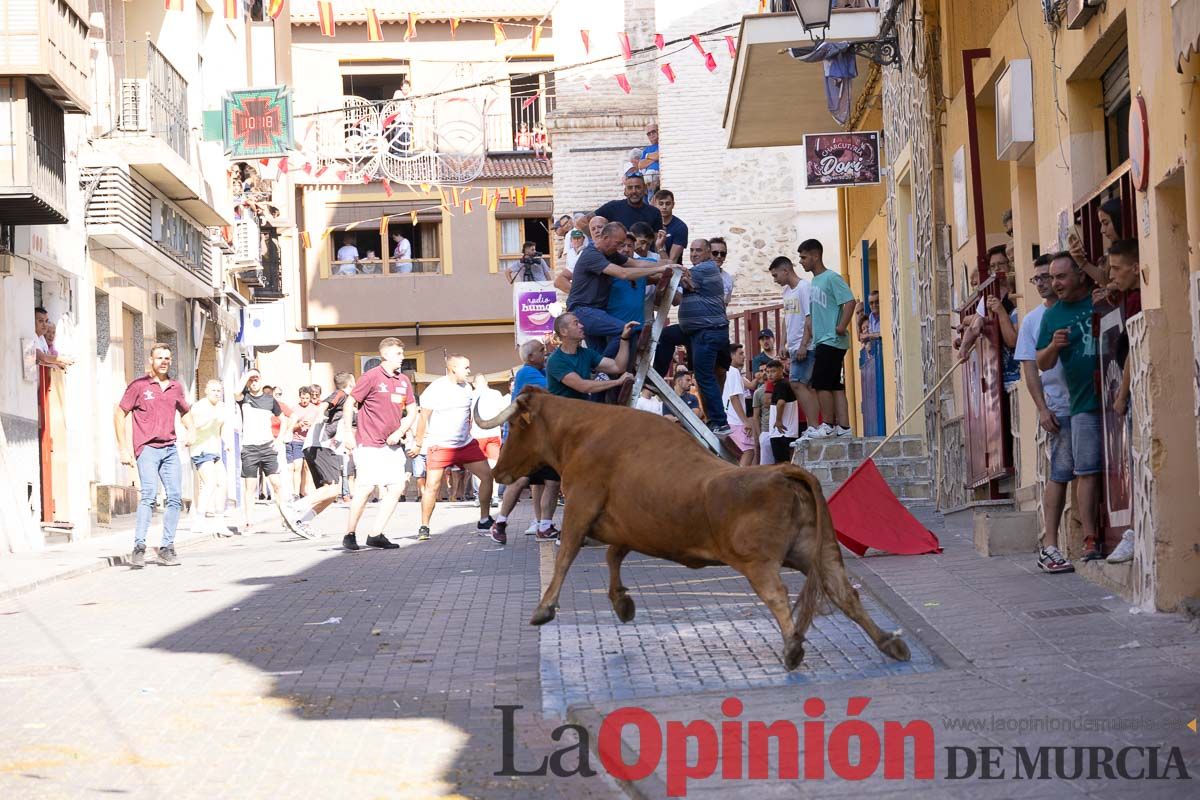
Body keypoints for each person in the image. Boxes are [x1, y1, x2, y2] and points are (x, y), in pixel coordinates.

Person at [1036, 252, 1103, 563]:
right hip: (1081, 404)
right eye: (1052, 278)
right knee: (1085, 470)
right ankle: (1090, 539)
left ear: (1079, 275)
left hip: (1114, 396)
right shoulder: (1052, 316)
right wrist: (1054, 346)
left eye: (1061, 277)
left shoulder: (1099, 297)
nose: (1055, 284)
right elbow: (1041, 362)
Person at [1014, 255, 1074, 574]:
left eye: (1044, 277)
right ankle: (1049, 546)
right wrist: (1041, 408)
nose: (1041, 283)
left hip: (1085, 403)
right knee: (1059, 474)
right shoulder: (1032, 321)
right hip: (1057, 407)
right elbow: (1029, 368)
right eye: (1035, 279)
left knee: (1089, 472)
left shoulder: (1074, 310)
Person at [114, 343, 193, 568]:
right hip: (147, 448)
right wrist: (123, 448)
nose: (164, 361)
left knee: (175, 496)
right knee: (148, 495)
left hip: (169, 448)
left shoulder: (176, 387)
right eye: (159, 358)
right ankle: (139, 547)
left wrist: (192, 430)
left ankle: (167, 548)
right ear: (151, 360)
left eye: (167, 358)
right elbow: (119, 413)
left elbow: (185, 411)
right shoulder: (139, 386)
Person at [339, 338, 419, 551]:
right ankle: (350, 533)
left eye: (402, 354)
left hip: (392, 444)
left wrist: (402, 431)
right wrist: (348, 432)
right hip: (369, 442)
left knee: (397, 487)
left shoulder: (403, 380)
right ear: (385, 355)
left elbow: (412, 411)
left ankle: (376, 534)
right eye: (398, 354)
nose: (402, 358)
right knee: (366, 488)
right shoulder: (371, 377)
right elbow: (350, 403)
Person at [412, 355, 496, 542]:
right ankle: (424, 526)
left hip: (465, 444)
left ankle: (484, 519)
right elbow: (423, 418)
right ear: (453, 368)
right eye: (465, 368)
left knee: (487, 476)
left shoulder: (467, 388)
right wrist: (418, 444)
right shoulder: (435, 389)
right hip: (440, 445)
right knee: (432, 486)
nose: (468, 371)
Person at [488, 340, 561, 544]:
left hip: (541, 440)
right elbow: (554, 389)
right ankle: (499, 524)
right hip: (523, 439)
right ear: (530, 357)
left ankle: (544, 526)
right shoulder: (526, 373)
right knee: (521, 480)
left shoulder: (540, 371)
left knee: (552, 481)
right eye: (541, 351)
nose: (545, 353)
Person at [565, 221, 670, 357]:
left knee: (600, 357)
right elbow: (623, 273)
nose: (620, 248)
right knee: (625, 330)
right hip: (583, 312)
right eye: (618, 243)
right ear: (605, 238)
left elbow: (635, 263)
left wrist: (668, 264)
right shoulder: (592, 255)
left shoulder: (609, 253)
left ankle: (600, 375)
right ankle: (602, 375)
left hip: (594, 312)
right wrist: (659, 268)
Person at [234, 370, 306, 537]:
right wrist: (247, 374)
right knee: (250, 487)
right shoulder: (244, 397)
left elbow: (283, 418)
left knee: (276, 484)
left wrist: (280, 438)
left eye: (256, 379)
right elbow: (235, 392)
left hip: (267, 448)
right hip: (249, 448)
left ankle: (286, 519)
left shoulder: (269, 400)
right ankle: (249, 523)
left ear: (261, 381)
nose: (253, 383)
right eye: (251, 380)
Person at [799, 239, 855, 438]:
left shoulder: (832, 278)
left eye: (804, 257)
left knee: (821, 383)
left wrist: (841, 326)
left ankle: (828, 425)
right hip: (823, 339)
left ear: (815, 256)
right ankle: (845, 428)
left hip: (831, 339)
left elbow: (849, 301)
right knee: (833, 384)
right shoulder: (815, 281)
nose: (801, 261)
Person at [677, 238, 732, 435]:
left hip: (708, 332)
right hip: (699, 331)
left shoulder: (706, 268)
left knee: (708, 376)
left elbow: (679, 276)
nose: (693, 254)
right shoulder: (701, 270)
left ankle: (719, 421)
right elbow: (683, 286)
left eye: (698, 250)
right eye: (691, 250)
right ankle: (714, 419)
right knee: (704, 376)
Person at [768, 256, 823, 440]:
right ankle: (813, 426)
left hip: (805, 346)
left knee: (797, 384)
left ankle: (815, 426)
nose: (775, 280)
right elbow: (787, 319)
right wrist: (783, 343)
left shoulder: (804, 288)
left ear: (786, 270)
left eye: (776, 275)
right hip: (793, 346)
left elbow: (809, 317)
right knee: (804, 385)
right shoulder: (786, 292)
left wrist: (803, 344)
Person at [294, 372, 356, 535]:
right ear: (350, 383)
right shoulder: (342, 394)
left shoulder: (349, 404)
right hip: (321, 445)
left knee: (329, 494)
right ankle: (293, 507)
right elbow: (324, 404)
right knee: (335, 489)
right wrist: (320, 414)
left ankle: (302, 522)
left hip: (320, 447)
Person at [546, 313, 639, 400]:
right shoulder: (555, 360)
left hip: (582, 411)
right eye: (576, 323)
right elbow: (583, 386)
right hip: (562, 415)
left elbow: (618, 367)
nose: (582, 326)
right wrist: (618, 382)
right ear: (563, 332)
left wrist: (624, 339)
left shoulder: (587, 353)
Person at [188, 379, 231, 535]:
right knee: (211, 482)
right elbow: (193, 426)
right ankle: (199, 520)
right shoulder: (200, 407)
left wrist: (226, 442)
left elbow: (223, 425)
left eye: (219, 390)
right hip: (200, 449)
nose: (217, 393)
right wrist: (208, 418)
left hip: (215, 450)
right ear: (206, 391)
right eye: (213, 390)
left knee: (223, 482)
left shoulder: (222, 407)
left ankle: (219, 521)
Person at [583, 174, 664, 235]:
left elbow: (657, 241)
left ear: (644, 189)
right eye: (630, 188)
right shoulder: (611, 207)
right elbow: (581, 223)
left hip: (645, 257)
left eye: (637, 187)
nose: (634, 191)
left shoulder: (654, 212)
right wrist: (598, 240)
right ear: (625, 191)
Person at [722, 344, 755, 466]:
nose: (744, 356)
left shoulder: (725, 372)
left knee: (734, 456)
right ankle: (740, 482)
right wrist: (745, 421)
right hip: (735, 420)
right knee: (749, 451)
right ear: (731, 356)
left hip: (726, 419)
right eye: (740, 353)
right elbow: (734, 397)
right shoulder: (734, 371)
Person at [766, 360, 801, 461]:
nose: (770, 375)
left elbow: (781, 403)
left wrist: (778, 421)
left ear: (781, 370)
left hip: (781, 433)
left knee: (781, 463)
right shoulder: (783, 384)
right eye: (768, 372)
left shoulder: (781, 385)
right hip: (786, 432)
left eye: (773, 371)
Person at [288, 387, 319, 498]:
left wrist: (312, 425)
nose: (304, 400)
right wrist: (299, 424)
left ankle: (303, 491)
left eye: (307, 398)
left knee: (307, 467)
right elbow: (289, 427)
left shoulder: (315, 409)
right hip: (296, 441)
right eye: (302, 398)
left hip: (309, 441)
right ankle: (295, 493)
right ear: (299, 397)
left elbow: (318, 425)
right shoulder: (294, 409)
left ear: (310, 397)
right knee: (297, 466)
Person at [652, 189, 687, 264]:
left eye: (668, 204)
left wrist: (660, 247)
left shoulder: (680, 227)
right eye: (661, 204)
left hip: (673, 272)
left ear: (673, 205)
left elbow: (672, 262)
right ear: (655, 204)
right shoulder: (649, 223)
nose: (664, 207)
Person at [750, 362, 771, 464]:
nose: (764, 373)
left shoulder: (781, 387)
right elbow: (755, 417)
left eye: (766, 370)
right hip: (766, 431)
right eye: (761, 371)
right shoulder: (758, 392)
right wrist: (760, 435)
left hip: (781, 432)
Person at [709, 237, 734, 306]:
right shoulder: (695, 274)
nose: (719, 256)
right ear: (707, 254)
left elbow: (725, 304)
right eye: (715, 253)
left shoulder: (728, 278)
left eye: (722, 253)